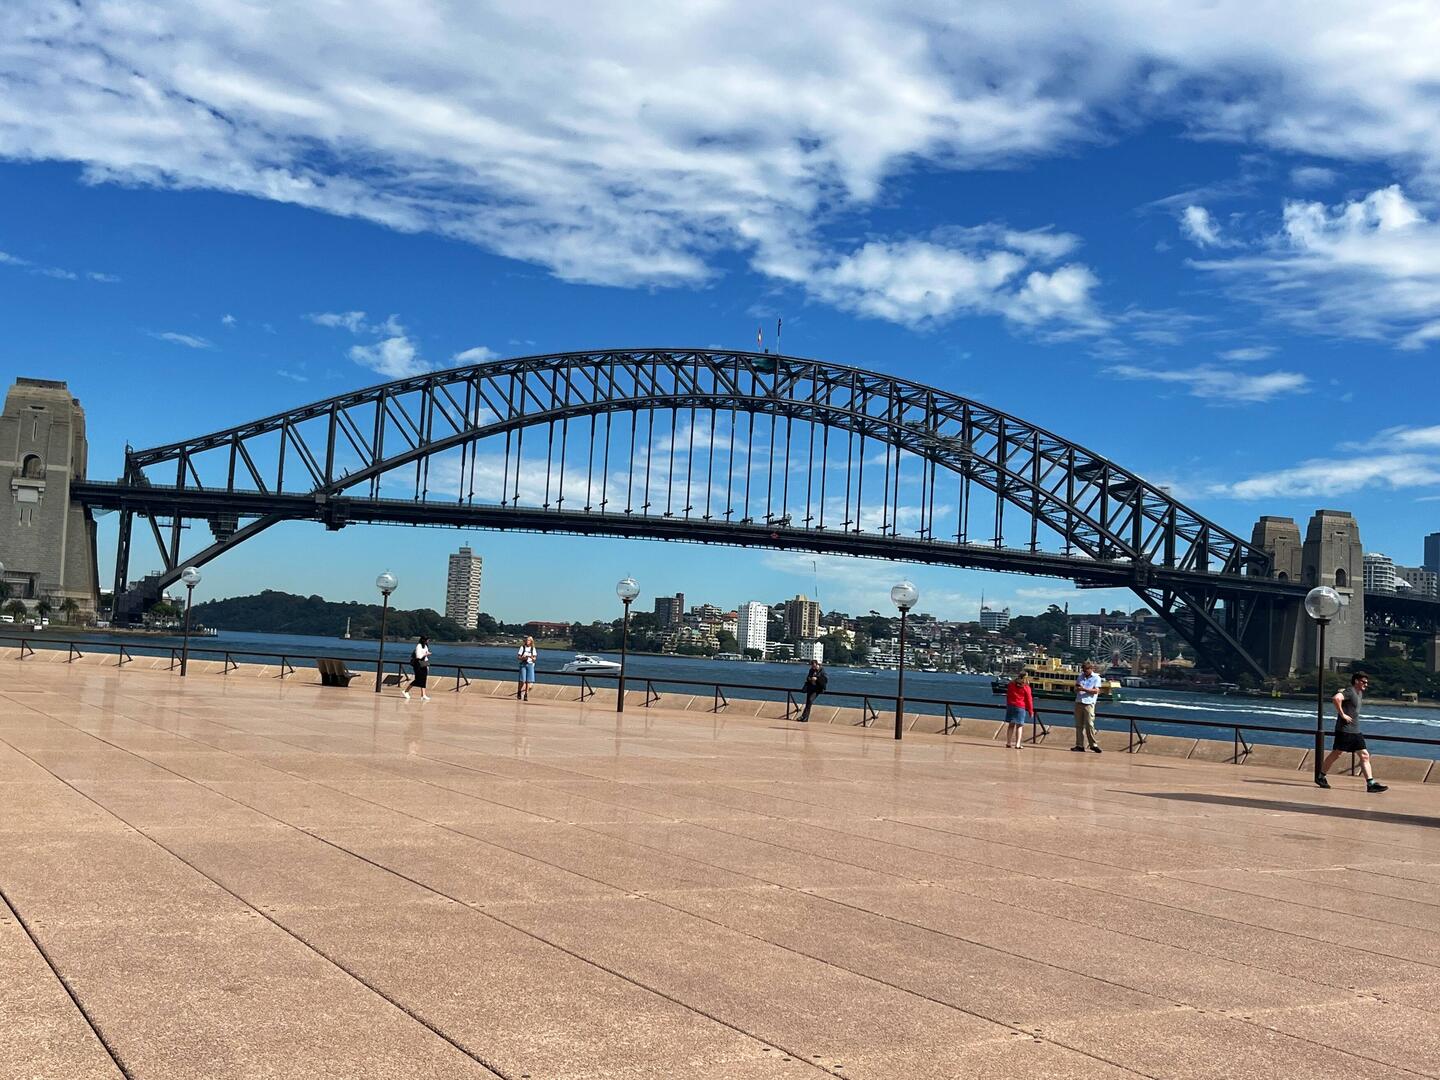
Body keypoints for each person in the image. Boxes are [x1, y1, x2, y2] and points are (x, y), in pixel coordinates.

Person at [1316, 671, 1387, 793]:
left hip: (1355, 730)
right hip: (1345, 730)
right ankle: (1321, 776)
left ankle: (1371, 784)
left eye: (1367, 682)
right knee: (1337, 754)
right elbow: (1336, 698)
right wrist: (1342, 714)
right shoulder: (1350, 691)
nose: (1366, 684)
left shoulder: (1359, 693)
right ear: (1356, 681)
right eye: (1364, 682)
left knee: (1364, 755)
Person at [1072, 660, 1103, 753]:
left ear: (1091, 669)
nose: (1084, 672)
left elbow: (1096, 691)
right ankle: (1079, 745)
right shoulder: (1080, 676)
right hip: (1079, 702)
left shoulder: (1096, 678)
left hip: (1089, 703)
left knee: (1089, 724)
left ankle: (1093, 745)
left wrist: (1084, 689)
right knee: (1078, 725)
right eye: (1083, 670)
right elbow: (1075, 688)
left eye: (1086, 670)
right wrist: (1077, 689)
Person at [1004, 670, 1033, 750]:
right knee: (1019, 726)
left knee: (1011, 725)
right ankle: (1017, 744)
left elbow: (1008, 695)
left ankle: (1008, 743)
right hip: (1020, 707)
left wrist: (1008, 704)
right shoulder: (1026, 687)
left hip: (1011, 706)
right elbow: (1029, 700)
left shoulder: (1011, 684)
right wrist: (1030, 711)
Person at [402, 635, 431, 702]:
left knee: (424, 678)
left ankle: (423, 694)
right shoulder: (419, 646)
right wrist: (425, 654)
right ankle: (406, 691)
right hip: (417, 664)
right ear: (424, 640)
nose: (428, 641)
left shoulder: (425, 646)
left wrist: (427, 665)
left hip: (424, 663)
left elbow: (425, 657)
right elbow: (418, 656)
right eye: (427, 640)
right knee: (418, 679)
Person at [516, 636, 538, 701]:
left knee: (528, 681)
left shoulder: (533, 648)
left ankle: (526, 694)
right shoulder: (522, 647)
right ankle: (519, 691)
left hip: (530, 664)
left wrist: (531, 657)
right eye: (526, 640)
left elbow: (534, 659)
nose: (527, 641)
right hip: (523, 664)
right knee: (522, 680)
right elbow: (518, 657)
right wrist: (523, 657)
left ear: (531, 641)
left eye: (528, 640)